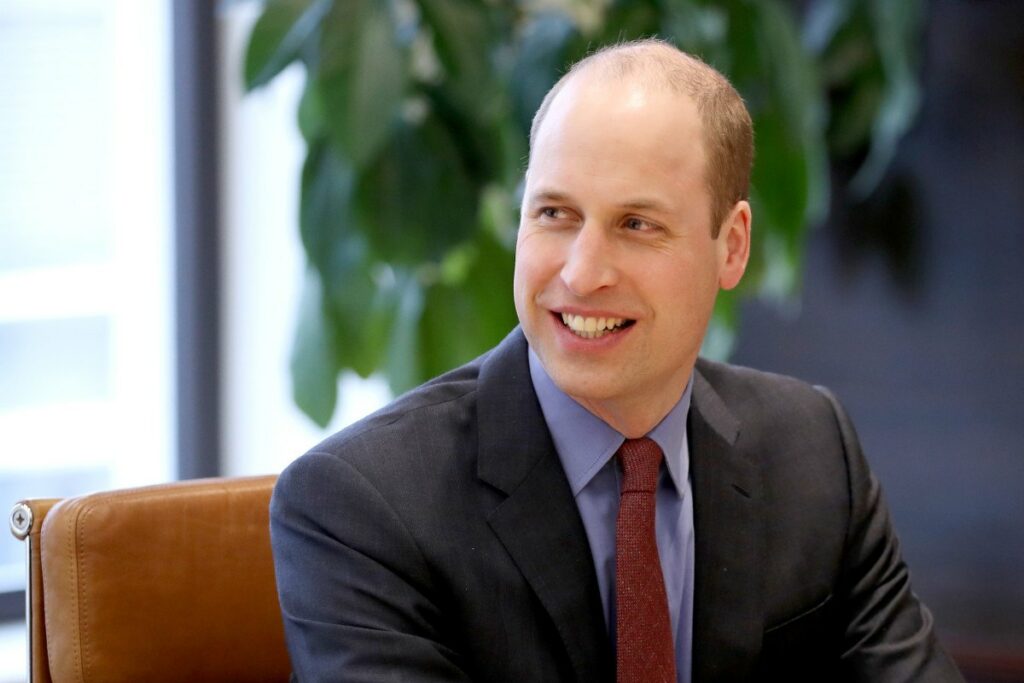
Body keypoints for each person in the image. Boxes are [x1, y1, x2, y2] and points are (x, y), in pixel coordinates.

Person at [270, 39, 963, 682]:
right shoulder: (362, 506)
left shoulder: (813, 450)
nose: (582, 272)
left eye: (637, 224)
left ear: (732, 246)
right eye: (555, 214)